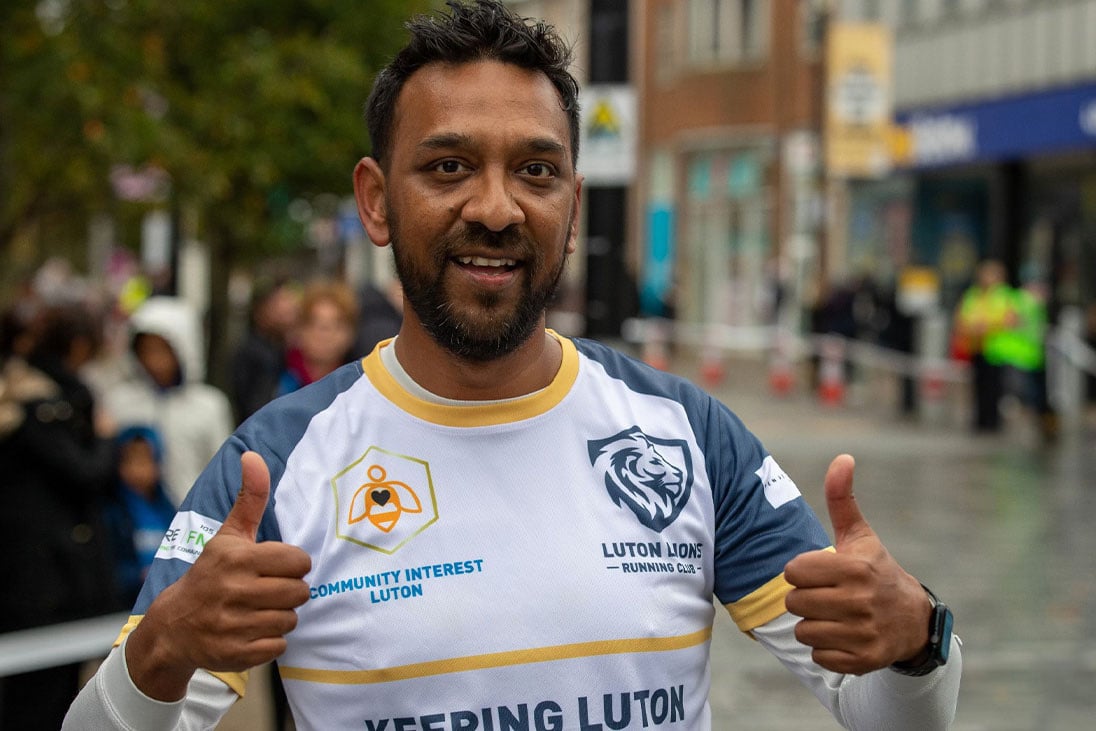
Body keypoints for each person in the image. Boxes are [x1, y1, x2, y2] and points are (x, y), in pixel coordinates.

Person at [65, 2, 962, 729]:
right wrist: (162, 650)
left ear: (571, 204)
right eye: (449, 165)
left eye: (535, 171)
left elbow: (885, 717)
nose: (495, 208)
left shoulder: (684, 434)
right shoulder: (279, 461)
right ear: (376, 201)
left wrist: (921, 638)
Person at [1, 303, 121, 730]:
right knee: (39, 700)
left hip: (36, 580)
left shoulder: (23, 394)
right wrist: (107, 440)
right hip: (45, 582)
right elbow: (85, 473)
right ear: (78, 346)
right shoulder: (44, 406)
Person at [101, 295, 234, 505]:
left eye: (163, 350)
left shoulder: (209, 405)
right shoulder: (119, 401)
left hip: (189, 522)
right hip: (133, 521)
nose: (155, 360)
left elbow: (221, 471)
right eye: (146, 350)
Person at [103, 425, 178, 606]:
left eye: (145, 460)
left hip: (170, 601)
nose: (138, 470)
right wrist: (138, 576)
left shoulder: (169, 509)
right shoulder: (113, 513)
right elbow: (108, 571)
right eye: (130, 461)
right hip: (129, 606)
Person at [953, 259, 1016, 432]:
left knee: (994, 386)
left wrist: (987, 327)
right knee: (978, 385)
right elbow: (961, 317)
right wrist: (970, 328)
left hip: (995, 349)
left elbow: (1011, 320)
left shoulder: (1005, 295)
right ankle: (980, 420)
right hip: (976, 347)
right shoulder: (972, 294)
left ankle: (993, 422)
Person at [230, 276, 300, 423]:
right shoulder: (254, 353)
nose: (287, 313)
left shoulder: (284, 348)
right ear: (260, 310)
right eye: (279, 305)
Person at [275, 279, 359, 397]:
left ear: (351, 334)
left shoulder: (359, 384)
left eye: (336, 324)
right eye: (314, 323)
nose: (325, 335)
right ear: (299, 329)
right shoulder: (275, 376)